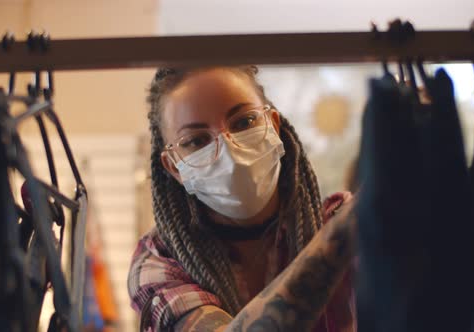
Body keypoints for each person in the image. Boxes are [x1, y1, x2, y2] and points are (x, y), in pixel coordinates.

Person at [128, 66, 357, 332]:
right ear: (174, 167)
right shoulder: (160, 259)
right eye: (197, 140)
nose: (230, 151)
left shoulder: (339, 220)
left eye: (244, 122)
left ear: (272, 124)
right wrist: (337, 240)